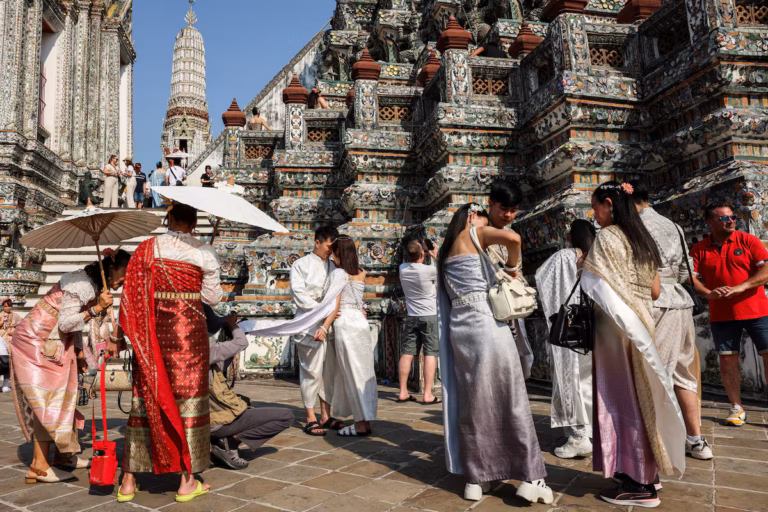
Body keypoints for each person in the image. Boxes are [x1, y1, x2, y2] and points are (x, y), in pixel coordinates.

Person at [437, 203, 552, 505]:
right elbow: (513, 239)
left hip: (460, 331)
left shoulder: (445, 249)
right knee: (510, 397)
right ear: (472, 217)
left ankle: (478, 478)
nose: (486, 224)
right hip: (487, 324)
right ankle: (530, 476)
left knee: (474, 402)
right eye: (483, 219)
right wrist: (513, 269)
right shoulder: (475, 232)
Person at [581, 181, 686, 507]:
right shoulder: (642, 239)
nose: (594, 213)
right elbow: (654, 291)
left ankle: (638, 482)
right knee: (644, 398)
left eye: (596, 206)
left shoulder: (609, 237)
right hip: (643, 323)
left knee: (621, 401)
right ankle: (647, 470)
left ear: (609, 203)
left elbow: (596, 284)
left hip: (616, 331)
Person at [117, 202, 222, 503]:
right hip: (189, 333)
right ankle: (187, 481)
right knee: (187, 398)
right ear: (194, 222)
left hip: (151, 334)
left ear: (170, 218)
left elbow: (130, 294)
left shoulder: (147, 248)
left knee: (146, 395)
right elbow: (212, 298)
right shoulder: (204, 252)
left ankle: (127, 480)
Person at [10, 250, 131, 483]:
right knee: (48, 400)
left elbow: (72, 326)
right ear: (110, 268)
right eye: (124, 274)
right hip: (36, 341)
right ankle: (39, 466)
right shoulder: (82, 286)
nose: (124, 281)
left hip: (55, 341)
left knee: (68, 394)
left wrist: (79, 353)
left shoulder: (92, 285)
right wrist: (95, 309)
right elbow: (66, 323)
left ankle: (63, 456)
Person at [633, 183, 713, 460]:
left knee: (658, 374)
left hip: (656, 301)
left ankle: (659, 444)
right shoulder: (673, 226)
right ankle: (696, 439)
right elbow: (685, 270)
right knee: (683, 373)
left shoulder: (635, 227)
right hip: (681, 301)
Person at [691, 203, 768, 427]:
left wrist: (742, 287)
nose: (731, 221)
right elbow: (691, 277)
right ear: (710, 223)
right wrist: (708, 293)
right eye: (725, 219)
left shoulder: (748, 241)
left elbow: (766, 270)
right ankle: (736, 407)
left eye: (733, 217)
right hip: (722, 314)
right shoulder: (700, 249)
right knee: (727, 361)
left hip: (757, 311)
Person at [535, 220, 595, 459]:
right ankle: (592, 430)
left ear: (571, 237)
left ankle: (579, 436)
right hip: (595, 325)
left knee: (570, 378)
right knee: (591, 380)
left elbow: (541, 278)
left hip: (571, 325)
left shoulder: (563, 256)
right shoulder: (599, 255)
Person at [205, 310, 293, 470]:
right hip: (214, 423)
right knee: (286, 416)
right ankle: (230, 442)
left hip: (197, 420)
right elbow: (241, 343)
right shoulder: (205, 350)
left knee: (244, 401)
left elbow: (224, 362)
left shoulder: (179, 352)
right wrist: (232, 325)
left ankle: (223, 439)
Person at [315, 236, 376, 436]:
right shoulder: (361, 272)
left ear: (338, 252)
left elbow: (329, 300)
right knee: (364, 373)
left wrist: (324, 324)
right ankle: (365, 420)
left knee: (351, 373)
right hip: (360, 321)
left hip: (344, 323)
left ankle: (359, 423)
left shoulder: (339, 274)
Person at [288, 226, 341, 436]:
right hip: (309, 325)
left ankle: (326, 415)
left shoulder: (334, 267)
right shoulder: (300, 265)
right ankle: (310, 417)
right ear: (316, 242)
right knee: (311, 372)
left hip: (329, 325)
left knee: (329, 373)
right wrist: (323, 310)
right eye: (329, 245)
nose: (331, 250)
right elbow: (299, 296)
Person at [484, 180, 535, 377]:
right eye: (503, 209)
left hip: (511, 302)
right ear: (490, 204)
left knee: (515, 356)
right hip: (487, 303)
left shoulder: (512, 233)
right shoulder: (476, 231)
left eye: (513, 210)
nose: (508, 215)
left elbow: (516, 270)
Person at [397, 239, 441, 405]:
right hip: (429, 315)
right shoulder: (429, 270)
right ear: (422, 254)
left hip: (412, 315)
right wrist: (434, 253)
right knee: (430, 352)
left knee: (407, 352)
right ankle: (428, 394)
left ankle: (403, 391)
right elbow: (443, 270)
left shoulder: (403, 269)